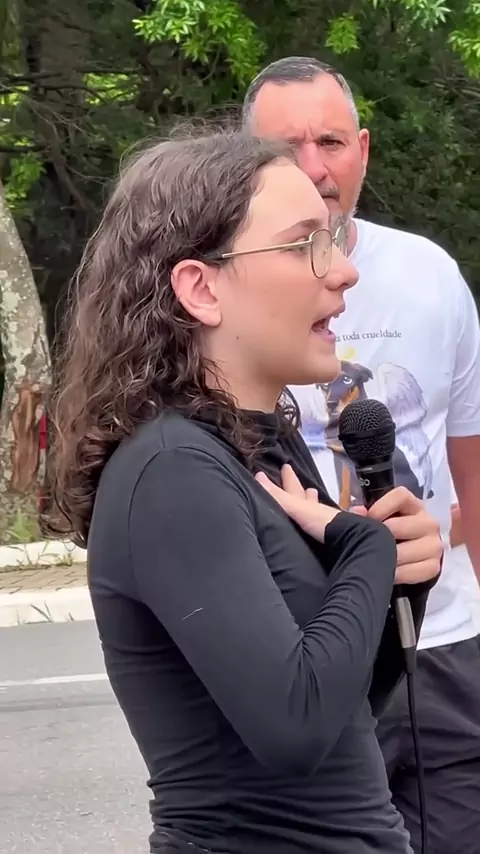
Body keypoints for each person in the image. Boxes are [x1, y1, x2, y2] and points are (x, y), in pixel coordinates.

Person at [47, 128, 442, 854]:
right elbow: (294, 729)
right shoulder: (173, 471)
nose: (344, 271)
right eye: (304, 244)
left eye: (333, 238)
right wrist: (365, 552)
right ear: (201, 288)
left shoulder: (260, 445)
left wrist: (402, 587)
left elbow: (346, 706)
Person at [243, 56, 480, 854]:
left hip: (443, 641)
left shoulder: (430, 276)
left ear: (364, 149)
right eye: (286, 148)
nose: (314, 168)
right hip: (311, 652)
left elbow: (470, 466)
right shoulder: (229, 294)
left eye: (332, 142)